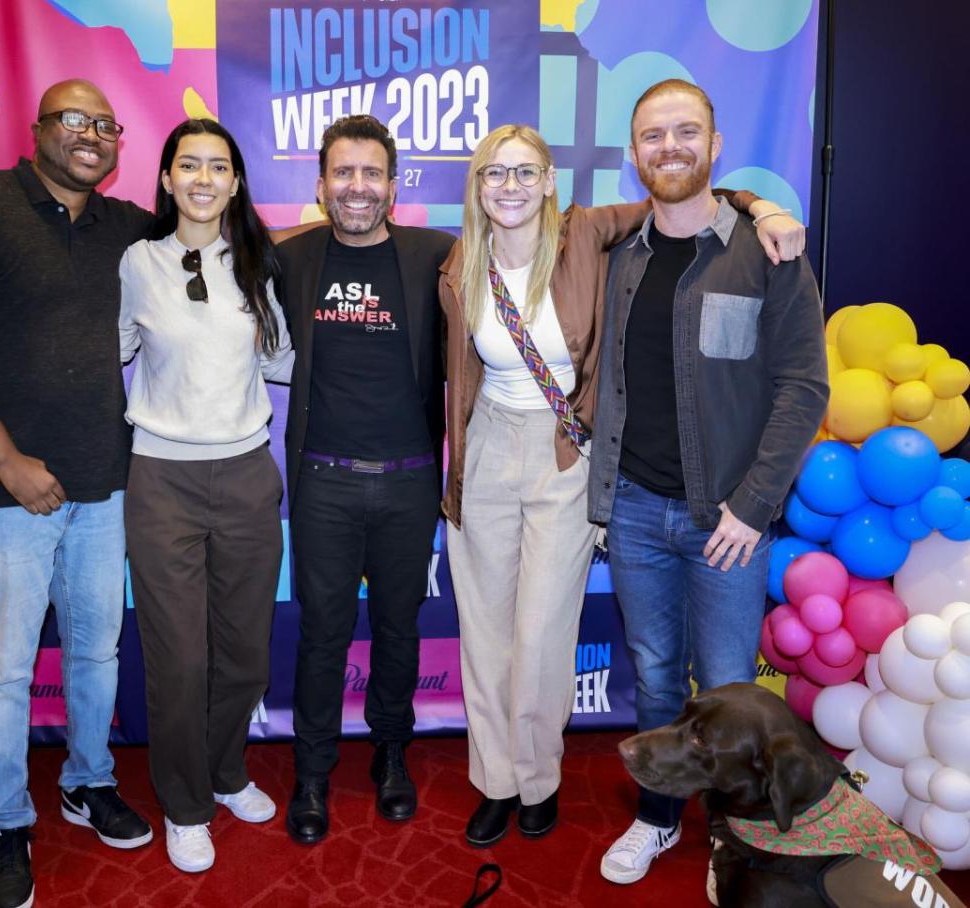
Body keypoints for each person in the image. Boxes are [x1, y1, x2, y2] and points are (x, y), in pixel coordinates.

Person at [440, 123, 806, 849]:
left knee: (543, 632)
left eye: (524, 173)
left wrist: (763, 206)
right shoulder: (458, 262)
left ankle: (538, 780)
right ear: (477, 188)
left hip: (562, 455)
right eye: (493, 174)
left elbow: (686, 192)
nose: (508, 187)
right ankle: (496, 782)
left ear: (549, 182)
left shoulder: (584, 232)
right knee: (484, 631)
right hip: (483, 450)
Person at [0, 80, 153, 908]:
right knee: (7, 670)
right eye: (74, 121)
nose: (90, 136)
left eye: (105, 126)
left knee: (97, 652)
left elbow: (221, 242)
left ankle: (87, 784)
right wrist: (8, 459)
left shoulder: (127, 228)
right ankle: (6, 821)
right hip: (3, 489)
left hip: (103, 482)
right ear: (39, 128)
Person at [588, 79, 828, 885]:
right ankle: (658, 822)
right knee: (656, 676)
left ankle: (737, 840)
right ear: (634, 155)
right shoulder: (621, 256)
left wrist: (754, 507)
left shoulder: (767, 252)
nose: (670, 147)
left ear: (715, 145)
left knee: (728, 694)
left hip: (728, 521)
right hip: (630, 511)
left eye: (686, 131)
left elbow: (805, 388)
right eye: (653, 135)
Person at [119, 118, 292, 874]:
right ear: (165, 179)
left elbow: (282, 359)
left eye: (217, 167)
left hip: (250, 475)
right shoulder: (136, 262)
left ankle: (226, 772)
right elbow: (109, 351)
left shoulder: (260, 261)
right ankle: (185, 806)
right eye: (187, 165)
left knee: (245, 651)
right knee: (179, 658)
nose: (202, 178)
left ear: (235, 182)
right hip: (162, 481)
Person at [275, 115, 454, 844]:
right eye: (342, 173)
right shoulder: (289, 259)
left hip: (411, 483)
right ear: (320, 186)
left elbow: (555, 238)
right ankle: (312, 773)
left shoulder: (437, 256)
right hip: (324, 482)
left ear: (393, 184)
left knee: (397, 629)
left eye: (371, 173)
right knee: (321, 633)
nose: (357, 188)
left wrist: (748, 203)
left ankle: (389, 755)